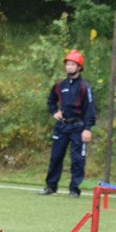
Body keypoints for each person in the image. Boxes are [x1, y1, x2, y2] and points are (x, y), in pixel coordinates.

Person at [38, 49, 96, 198]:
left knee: (77, 159)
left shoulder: (84, 86)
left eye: (73, 64)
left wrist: (87, 128)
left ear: (79, 67)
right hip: (62, 126)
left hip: (78, 126)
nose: (69, 67)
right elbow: (51, 100)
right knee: (56, 156)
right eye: (68, 64)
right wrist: (54, 112)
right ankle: (51, 186)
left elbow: (90, 108)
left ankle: (74, 188)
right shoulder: (59, 85)